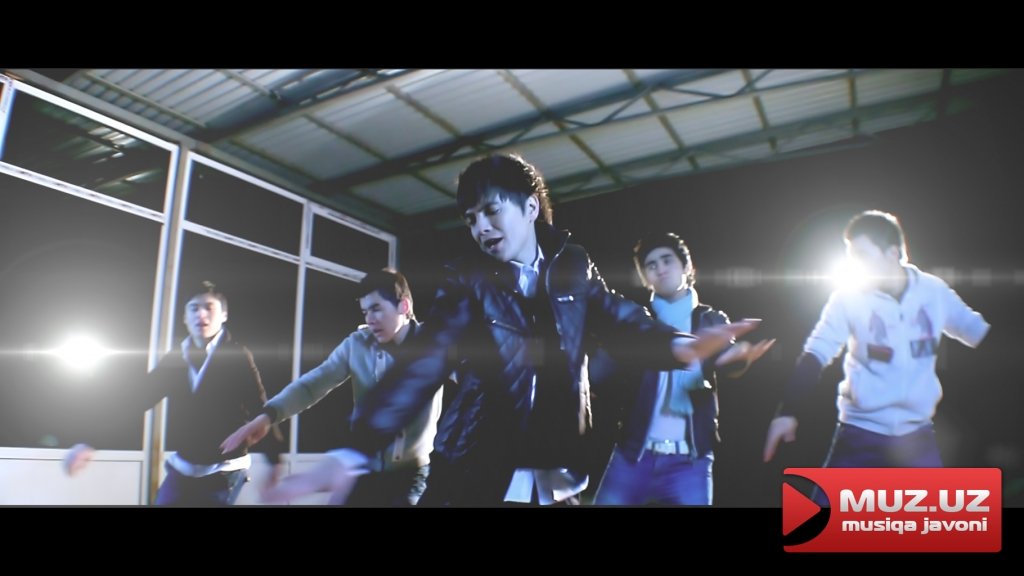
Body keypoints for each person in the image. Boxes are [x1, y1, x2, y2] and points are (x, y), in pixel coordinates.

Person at [264, 153, 761, 506]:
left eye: (491, 210)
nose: (480, 227)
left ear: (529, 206)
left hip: (556, 472)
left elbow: (622, 320)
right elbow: (424, 362)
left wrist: (682, 346)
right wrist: (354, 450)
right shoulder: (468, 279)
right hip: (476, 469)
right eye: (470, 218)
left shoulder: (574, 267)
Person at [763, 210, 990, 473]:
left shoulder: (934, 292)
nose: (855, 264)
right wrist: (787, 411)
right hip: (859, 435)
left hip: (917, 438)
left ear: (892, 253)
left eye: (862, 255)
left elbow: (979, 334)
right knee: (826, 501)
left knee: (935, 501)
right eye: (851, 256)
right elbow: (816, 353)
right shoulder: (847, 298)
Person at [220, 268, 443, 506]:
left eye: (376, 309)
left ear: (403, 306)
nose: (369, 319)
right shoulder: (357, 344)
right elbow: (313, 384)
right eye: (365, 312)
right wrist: (267, 416)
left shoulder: (437, 344)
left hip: (411, 474)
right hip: (362, 469)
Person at [63, 281, 284, 506]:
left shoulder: (237, 356)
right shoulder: (177, 358)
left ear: (224, 315)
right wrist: (89, 441)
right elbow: (136, 399)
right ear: (185, 317)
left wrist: (274, 460)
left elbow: (259, 407)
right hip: (183, 469)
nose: (201, 314)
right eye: (194, 308)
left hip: (225, 470)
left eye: (209, 307)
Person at [594, 233, 774, 505]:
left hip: (690, 461)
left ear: (687, 267)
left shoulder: (711, 319)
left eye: (667, 260)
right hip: (633, 455)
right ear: (645, 277)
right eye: (651, 265)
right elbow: (606, 373)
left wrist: (740, 358)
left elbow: (726, 362)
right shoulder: (637, 321)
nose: (660, 269)